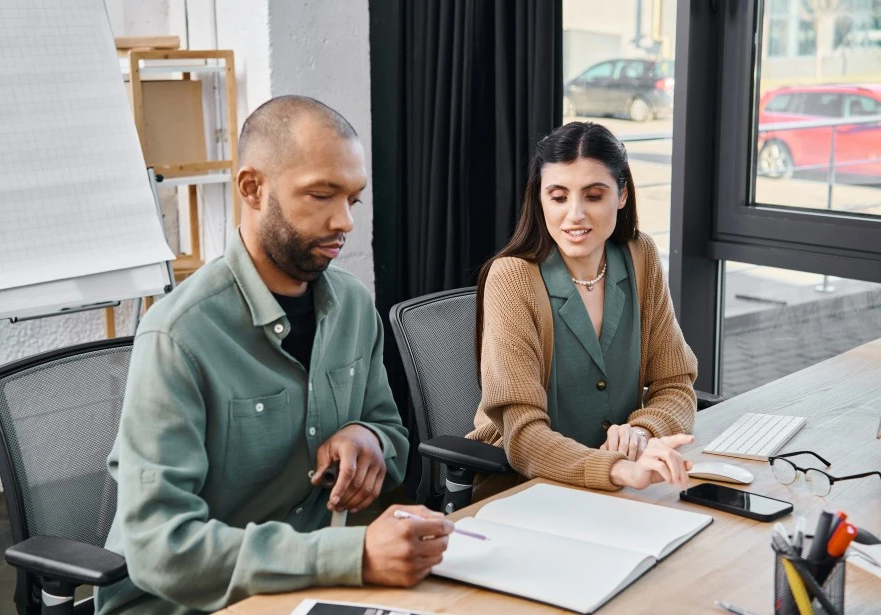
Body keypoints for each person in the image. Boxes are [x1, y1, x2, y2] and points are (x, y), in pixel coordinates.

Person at [96, 96, 452, 615]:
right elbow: (159, 549)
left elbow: (392, 436)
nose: (345, 221)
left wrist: (367, 437)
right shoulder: (177, 336)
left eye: (353, 199)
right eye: (322, 195)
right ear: (252, 188)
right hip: (189, 604)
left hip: (312, 590)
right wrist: (349, 557)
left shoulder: (352, 305)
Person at [468, 121, 698, 497]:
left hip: (621, 485)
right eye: (558, 197)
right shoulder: (512, 278)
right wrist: (618, 468)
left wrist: (642, 433)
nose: (574, 215)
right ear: (539, 199)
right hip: (525, 485)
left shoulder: (640, 257)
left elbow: (675, 383)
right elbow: (523, 436)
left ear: (621, 195)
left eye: (593, 196)